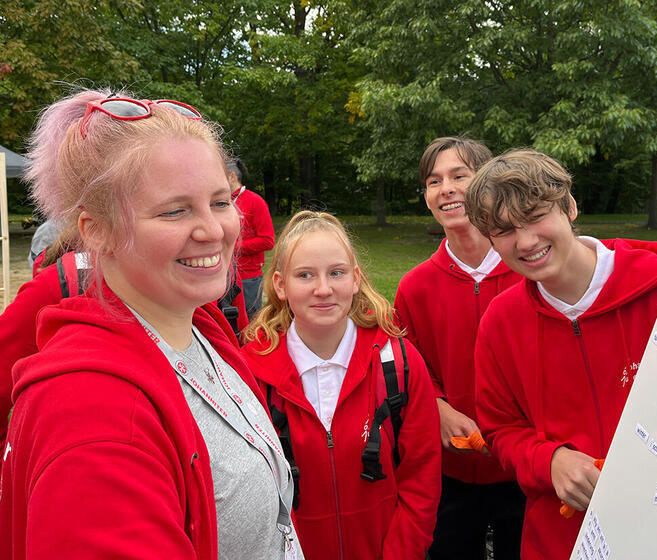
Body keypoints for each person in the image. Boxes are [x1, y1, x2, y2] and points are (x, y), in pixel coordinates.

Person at [0, 89, 303, 559]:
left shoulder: (202, 326)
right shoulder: (94, 421)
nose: (214, 230)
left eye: (220, 202)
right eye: (175, 210)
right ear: (98, 231)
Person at [463, 149, 657, 560]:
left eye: (535, 216)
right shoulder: (501, 322)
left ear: (570, 207)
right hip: (562, 537)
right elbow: (500, 429)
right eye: (504, 230)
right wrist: (550, 461)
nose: (526, 241)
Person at [241, 211, 441, 560]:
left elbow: (421, 475)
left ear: (355, 279)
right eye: (305, 275)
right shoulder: (250, 373)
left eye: (336, 273)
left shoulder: (398, 364)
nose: (323, 289)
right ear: (280, 285)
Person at [393, 137, 525, 560]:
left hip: (526, 469)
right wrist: (437, 408)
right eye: (434, 181)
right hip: (448, 471)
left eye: (458, 176)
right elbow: (406, 369)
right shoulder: (415, 287)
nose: (446, 188)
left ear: (487, 184)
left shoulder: (529, 272)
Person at [227, 158, 275, 319]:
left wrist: (233, 247)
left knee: (250, 321)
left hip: (248, 277)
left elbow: (268, 240)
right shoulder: (221, 202)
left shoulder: (255, 201)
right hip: (224, 274)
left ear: (232, 176)